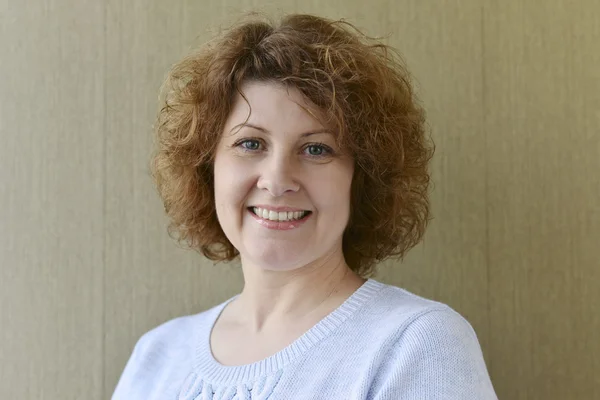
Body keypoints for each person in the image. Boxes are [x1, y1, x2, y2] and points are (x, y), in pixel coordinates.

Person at [112, 12, 498, 400]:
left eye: (316, 149)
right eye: (250, 143)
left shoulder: (416, 346)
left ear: (361, 178)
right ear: (207, 166)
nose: (277, 181)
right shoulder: (156, 355)